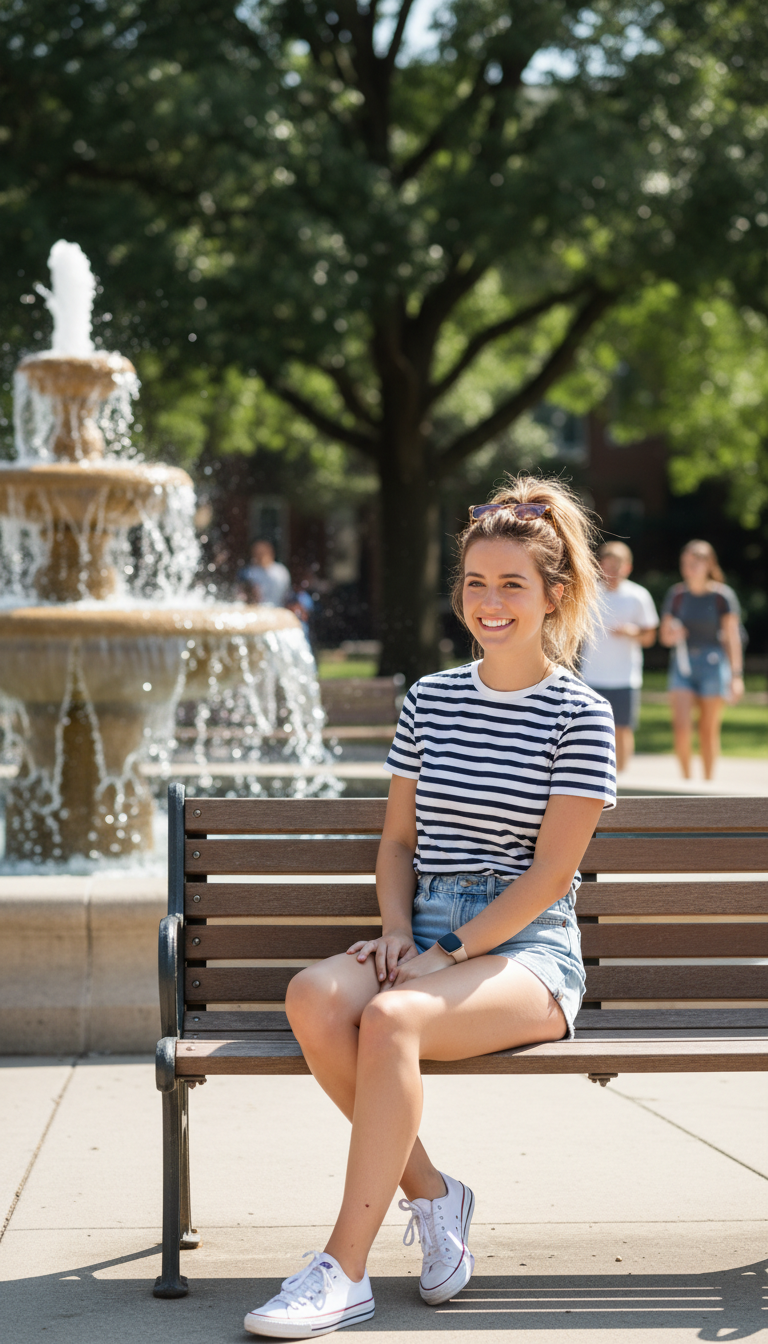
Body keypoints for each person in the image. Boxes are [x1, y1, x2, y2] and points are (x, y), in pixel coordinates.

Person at [243, 476, 616, 1339]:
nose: (490, 603)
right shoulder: (431, 699)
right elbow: (397, 844)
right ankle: (436, 1195)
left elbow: (548, 878)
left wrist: (443, 953)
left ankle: (344, 1270)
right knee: (315, 996)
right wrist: (398, 933)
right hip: (427, 930)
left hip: (525, 951)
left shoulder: (580, 716)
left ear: (555, 594)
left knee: (391, 1018)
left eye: (513, 584)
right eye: (476, 583)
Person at [659, 539, 744, 780]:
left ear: (708, 564)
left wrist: (736, 676)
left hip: (713, 666)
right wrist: (673, 634)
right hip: (683, 665)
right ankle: (687, 787)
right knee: (682, 728)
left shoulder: (722, 596)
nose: (689, 568)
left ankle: (707, 787)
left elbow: (732, 638)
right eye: (685, 563)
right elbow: (664, 637)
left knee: (708, 730)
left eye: (695, 563)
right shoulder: (676, 594)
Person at [580, 541, 659, 773]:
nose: (612, 572)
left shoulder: (638, 596)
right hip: (591, 675)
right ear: (600, 566)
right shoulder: (588, 594)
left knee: (622, 729)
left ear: (628, 567)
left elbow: (650, 637)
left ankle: (622, 779)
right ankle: (593, 775)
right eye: (608, 566)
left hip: (625, 677)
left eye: (617, 567)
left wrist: (632, 632)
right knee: (590, 729)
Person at [237, 539, 291, 607]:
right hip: (256, 609)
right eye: (256, 553)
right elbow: (241, 594)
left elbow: (287, 595)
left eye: (261, 553)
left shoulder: (281, 571)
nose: (258, 556)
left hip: (277, 608)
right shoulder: (247, 572)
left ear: (270, 553)